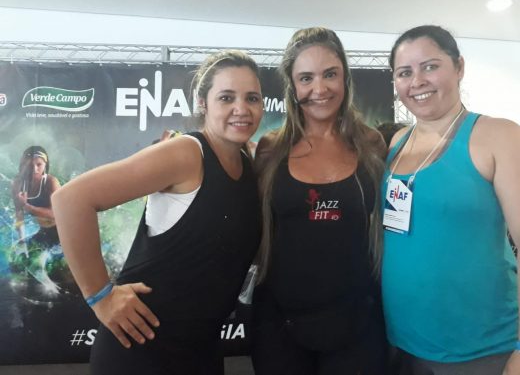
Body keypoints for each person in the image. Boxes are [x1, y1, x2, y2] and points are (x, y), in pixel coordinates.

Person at [51, 50, 264, 375]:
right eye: (226, 97)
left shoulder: (249, 164)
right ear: (203, 103)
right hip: (141, 349)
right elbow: (71, 200)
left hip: (201, 350)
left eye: (252, 98)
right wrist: (101, 297)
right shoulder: (186, 153)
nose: (242, 108)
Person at [382, 25, 520, 375]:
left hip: (481, 348)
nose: (417, 81)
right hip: (402, 343)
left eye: (430, 66)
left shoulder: (498, 136)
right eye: (404, 72)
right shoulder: (397, 143)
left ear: (459, 67)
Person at [251, 27, 388, 375]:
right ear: (292, 86)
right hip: (280, 325)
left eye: (330, 74)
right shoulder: (270, 148)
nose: (320, 88)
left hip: (357, 322)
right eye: (306, 78)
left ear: (345, 77)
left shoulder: (371, 144)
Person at [11, 146, 61, 248]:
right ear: (24, 165)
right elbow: (19, 214)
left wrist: (26, 206)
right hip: (41, 231)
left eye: (39, 164)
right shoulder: (17, 183)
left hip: (61, 230)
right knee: (21, 256)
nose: (34, 169)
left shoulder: (51, 182)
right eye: (30, 165)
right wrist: (22, 241)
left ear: (45, 165)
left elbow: (57, 214)